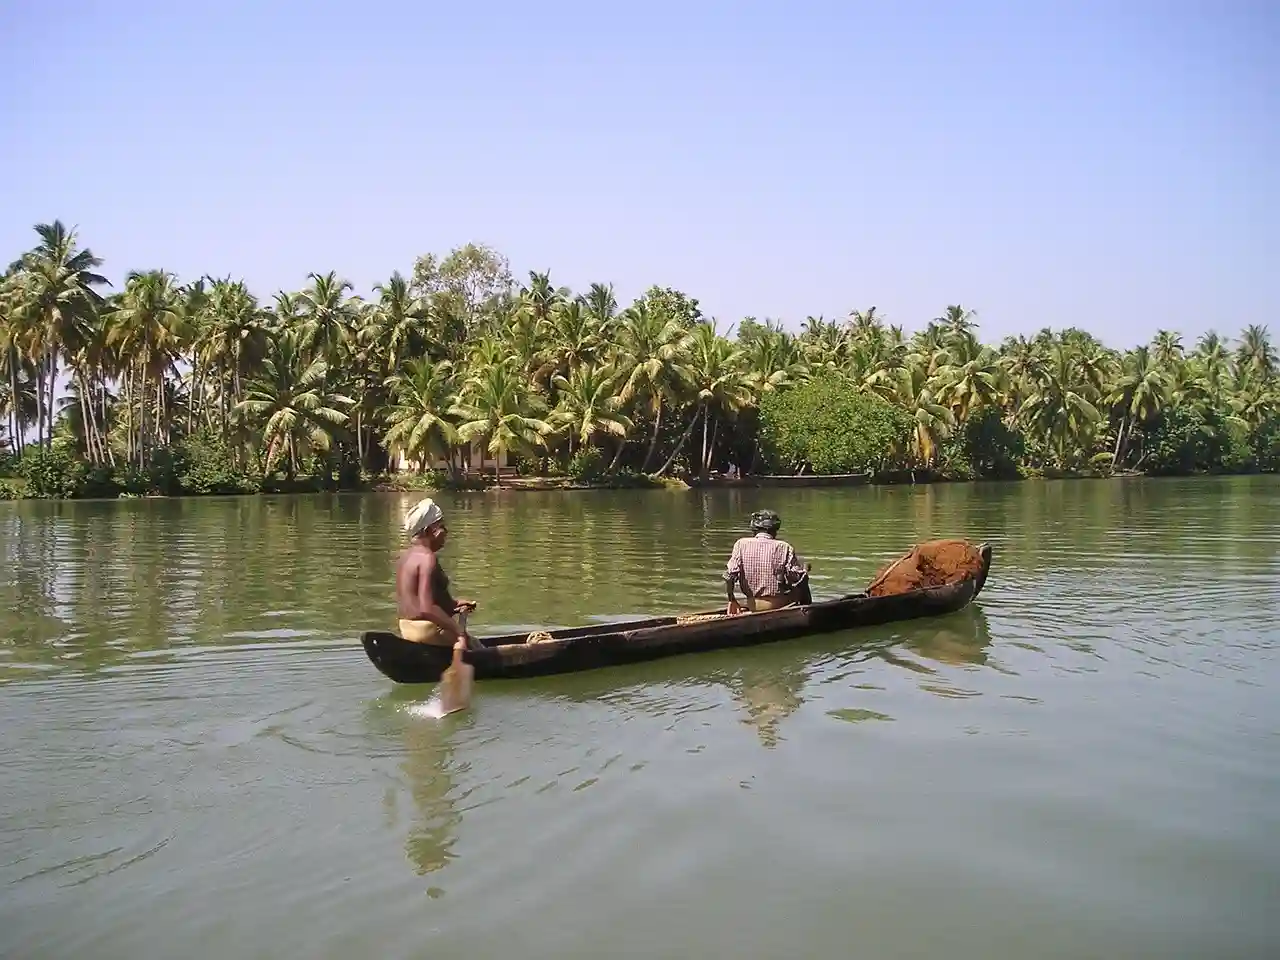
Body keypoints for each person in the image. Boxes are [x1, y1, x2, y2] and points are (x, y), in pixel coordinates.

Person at [396, 498, 478, 648]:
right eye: (441, 526)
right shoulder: (427, 559)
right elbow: (427, 608)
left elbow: (416, 601)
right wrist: (458, 631)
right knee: (476, 646)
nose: (446, 532)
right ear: (428, 531)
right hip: (429, 631)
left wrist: (454, 604)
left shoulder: (404, 557)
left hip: (407, 630)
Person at [723, 509, 812, 615]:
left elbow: (729, 576)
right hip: (778, 605)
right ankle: (807, 612)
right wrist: (804, 572)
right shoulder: (784, 547)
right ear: (775, 530)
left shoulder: (740, 544)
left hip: (752, 604)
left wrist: (731, 600)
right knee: (803, 580)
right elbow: (797, 579)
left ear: (754, 528)